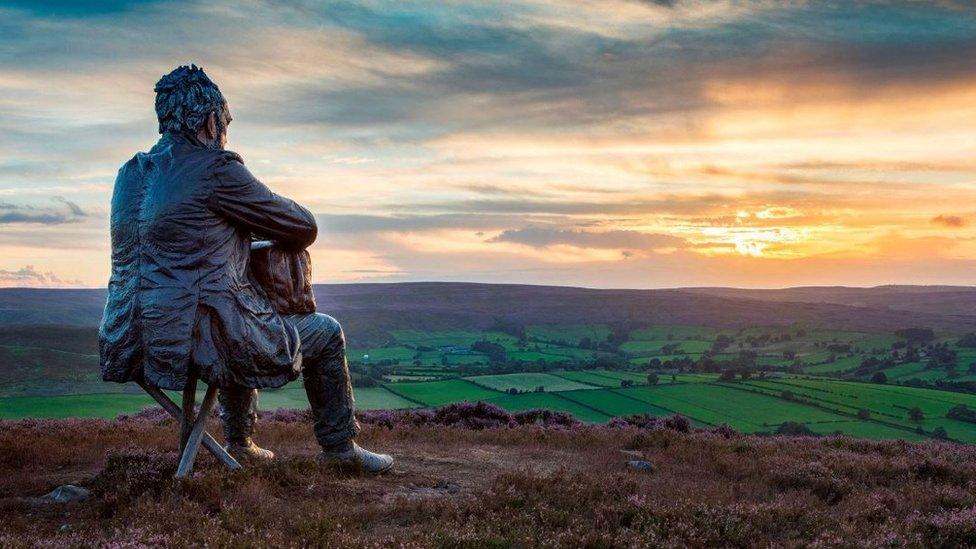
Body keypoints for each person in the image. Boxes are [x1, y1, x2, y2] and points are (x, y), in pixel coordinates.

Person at [98, 65, 392, 473]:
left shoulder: (128, 174)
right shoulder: (216, 169)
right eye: (225, 122)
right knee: (320, 332)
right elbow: (302, 226)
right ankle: (341, 450)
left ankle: (240, 442)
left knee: (234, 310)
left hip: (130, 338)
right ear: (210, 118)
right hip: (197, 336)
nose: (225, 132)